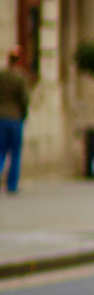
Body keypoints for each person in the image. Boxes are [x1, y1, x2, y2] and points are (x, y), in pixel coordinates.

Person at [1, 48, 31, 194]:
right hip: (15, 118)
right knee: (15, 153)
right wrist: (24, 115)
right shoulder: (20, 78)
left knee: (0, 151)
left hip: (1, 118)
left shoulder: (2, 76)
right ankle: (12, 185)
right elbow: (24, 99)